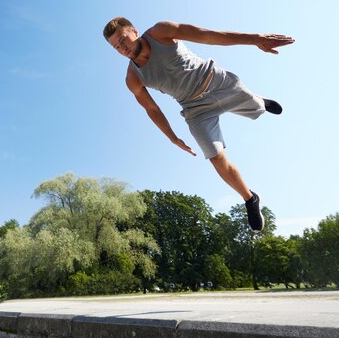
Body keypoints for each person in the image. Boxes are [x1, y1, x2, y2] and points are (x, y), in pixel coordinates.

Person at [103, 17, 294, 232]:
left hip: (215, 81)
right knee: (215, 157)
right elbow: (152, 109)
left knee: (255, 106)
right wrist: (173, 137)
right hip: (195, 110)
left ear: (134, 31)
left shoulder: (161, 32)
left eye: (122, 39)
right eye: (116, 47)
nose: (122, 47)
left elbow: (208, 36)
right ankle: (250, 199)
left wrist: (254, 39)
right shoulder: (132, 78)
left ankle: (260, 102)